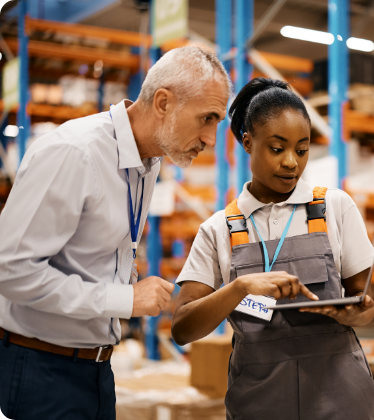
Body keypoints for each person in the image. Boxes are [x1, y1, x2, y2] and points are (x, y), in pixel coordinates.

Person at [0, 46, 230, 420]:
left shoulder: (149, 161)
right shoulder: (76, 153)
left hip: (95, 372)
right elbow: (10, 270)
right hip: (39, 368)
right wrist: (124, 298)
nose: (211, 139)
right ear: (163, 103)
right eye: (207, 118)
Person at [172, 77, 374, 420]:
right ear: (248, 142)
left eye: (302, 149)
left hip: (341, 400)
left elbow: (367, 305)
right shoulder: (218, 230)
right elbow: (182, 328)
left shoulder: (335, 208)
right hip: (259, 403)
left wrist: (353, 312)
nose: (291, 163)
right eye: (277, 148)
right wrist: (238, 289)